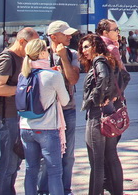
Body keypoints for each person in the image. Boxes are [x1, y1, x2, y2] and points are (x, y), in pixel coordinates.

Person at [19, 39, 71, 195]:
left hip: (26, 127)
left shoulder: (24, 74)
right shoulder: (53, 75)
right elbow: (65, 101)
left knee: (30, 169)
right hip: (47, 127)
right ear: (42, 53)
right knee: (54, 171)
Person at [0, 27, 39, 195]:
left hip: (17, 115)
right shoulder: (7, 59)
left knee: (15, 161)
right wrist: (24, 88)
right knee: (9, 161)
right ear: (21, 41)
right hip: (8, 116)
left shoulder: (20, 58)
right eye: (33, 44)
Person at [79, 34, 123, 195]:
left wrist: (97, 98)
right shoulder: (109, 60)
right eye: (82, 47)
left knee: (97, 162)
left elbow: (104, 77)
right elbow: (123, 76)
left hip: (98, 116)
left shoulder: (99, 61)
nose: (84, 51)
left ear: (95, 46)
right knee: (111, 157)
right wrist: (112, 95)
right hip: (109, 113)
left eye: (86, 47)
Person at [41, 21, 80, 195]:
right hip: (45, 110)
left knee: (68, 154)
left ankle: (65, 189)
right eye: (66, 34)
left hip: (67, 109)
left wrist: (64, 57)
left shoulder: (72, 54)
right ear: (54, 37)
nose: (70, 37)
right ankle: (43, 189)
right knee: (47, 154)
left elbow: (73, 79)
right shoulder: (40, 54)